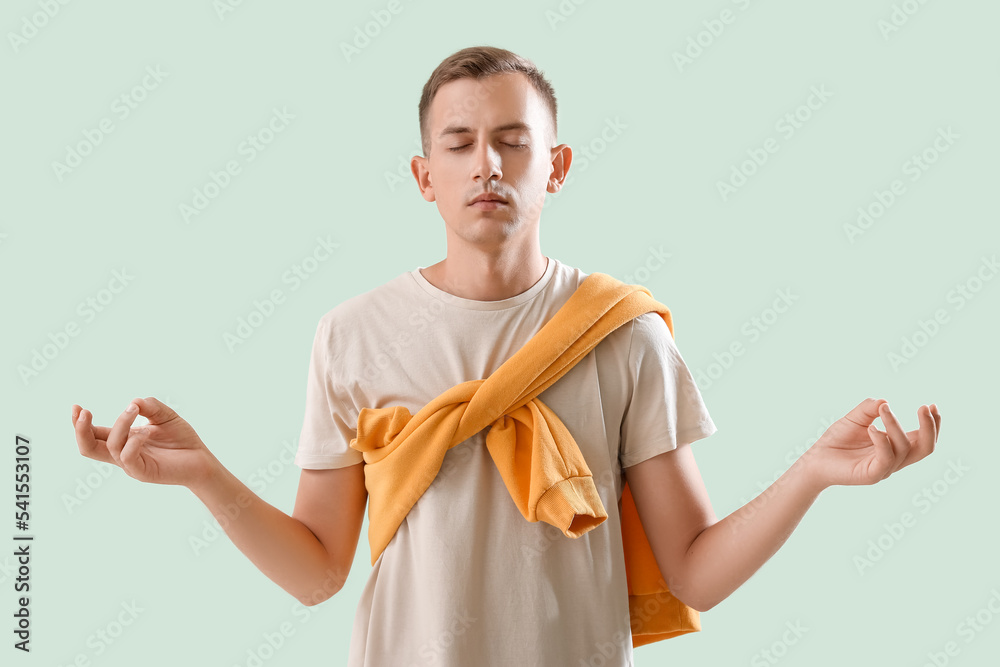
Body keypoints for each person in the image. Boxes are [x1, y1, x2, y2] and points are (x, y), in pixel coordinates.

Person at [71, 46, 942, 666]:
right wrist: (204, 476)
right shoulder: (351, 333)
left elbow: (695, 572)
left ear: (554, 165)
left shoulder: (623, 332)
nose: (486, 163)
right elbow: (318, 572)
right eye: (458, 143)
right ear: (424, 177)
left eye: (513, 141)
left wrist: (814, 474)